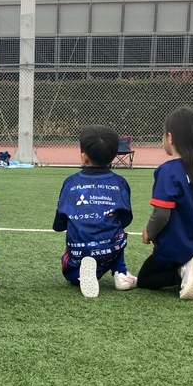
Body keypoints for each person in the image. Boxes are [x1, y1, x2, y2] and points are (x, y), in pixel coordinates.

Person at [138, 105, 193, 300]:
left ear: (170, 138)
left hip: (173, 249)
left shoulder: (167, 171)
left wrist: (149, 233)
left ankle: (183, 272)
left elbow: (161, 214)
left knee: (145, 278)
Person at [53, 125, 137, 298]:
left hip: (79, 251)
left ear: (84, 156)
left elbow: (59, 224)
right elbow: (125, 219)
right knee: (117, 230)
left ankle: (80, 274)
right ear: (114, 156)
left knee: (68, 269)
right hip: (110, 250)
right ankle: (121, 273)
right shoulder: (120, 182)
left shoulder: (70, 183)